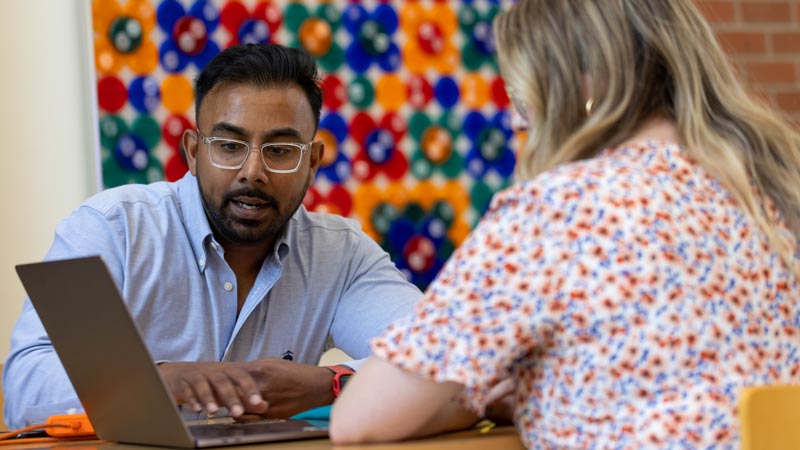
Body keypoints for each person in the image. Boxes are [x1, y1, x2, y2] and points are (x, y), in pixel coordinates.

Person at [331, 0, 800, 448]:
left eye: (525, 97)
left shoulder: (557, 210)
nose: (517, 121)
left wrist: (503, 393)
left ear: (585, 87)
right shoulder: (771, 187)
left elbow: (359, 421)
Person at [3, 43, 421, 429]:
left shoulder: (340, 253)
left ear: (311, 163)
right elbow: (24, 385)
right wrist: (157, 382)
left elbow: (444, 356)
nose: (252, 171)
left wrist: (326, 385)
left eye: (279, 151)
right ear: (192, 152)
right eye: (229, 145)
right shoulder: (113, 228)